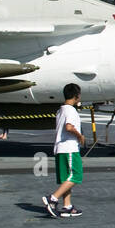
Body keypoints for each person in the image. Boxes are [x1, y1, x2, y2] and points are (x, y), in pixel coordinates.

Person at [43, 83, 85, 218]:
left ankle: (67, 206)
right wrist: (80, 136)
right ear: (76, 96)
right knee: (76, 175)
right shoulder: (71, 110)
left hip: (60, 148)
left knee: (66, 178)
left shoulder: (60, 110)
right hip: (69, 148)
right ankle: (53, 198)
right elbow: (69, 127)